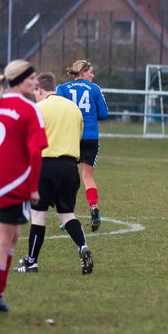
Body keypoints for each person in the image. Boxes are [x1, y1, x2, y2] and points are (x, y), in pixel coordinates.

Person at [0, 60, 48, 317]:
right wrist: (33, 187)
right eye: (32, 78)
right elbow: (36, 152)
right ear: (20, 80)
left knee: (13, 235)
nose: (36, 82)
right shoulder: (29, 110)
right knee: (3, 239)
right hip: (14, 184)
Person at [15, 73, 94, 276]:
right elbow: (79, 135)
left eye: (35, 92)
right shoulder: (73, 108)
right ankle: (82, 246)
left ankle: (31, 262)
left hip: (45, 166)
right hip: (69, 167)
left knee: (38, 215)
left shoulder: (38, 109)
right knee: (67, 213)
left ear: (40, 90)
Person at [56, 59, 108, 231]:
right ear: (83, 72)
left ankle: (66, 217)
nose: (93, 75)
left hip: (71, 136)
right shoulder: (94, 89)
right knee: (87, 177)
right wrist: (90, 115)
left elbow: (59, 110)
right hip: (90, 136)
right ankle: (93, 206)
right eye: (91, 72)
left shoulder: (62, 88)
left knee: (66, 177)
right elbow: (104, 113)